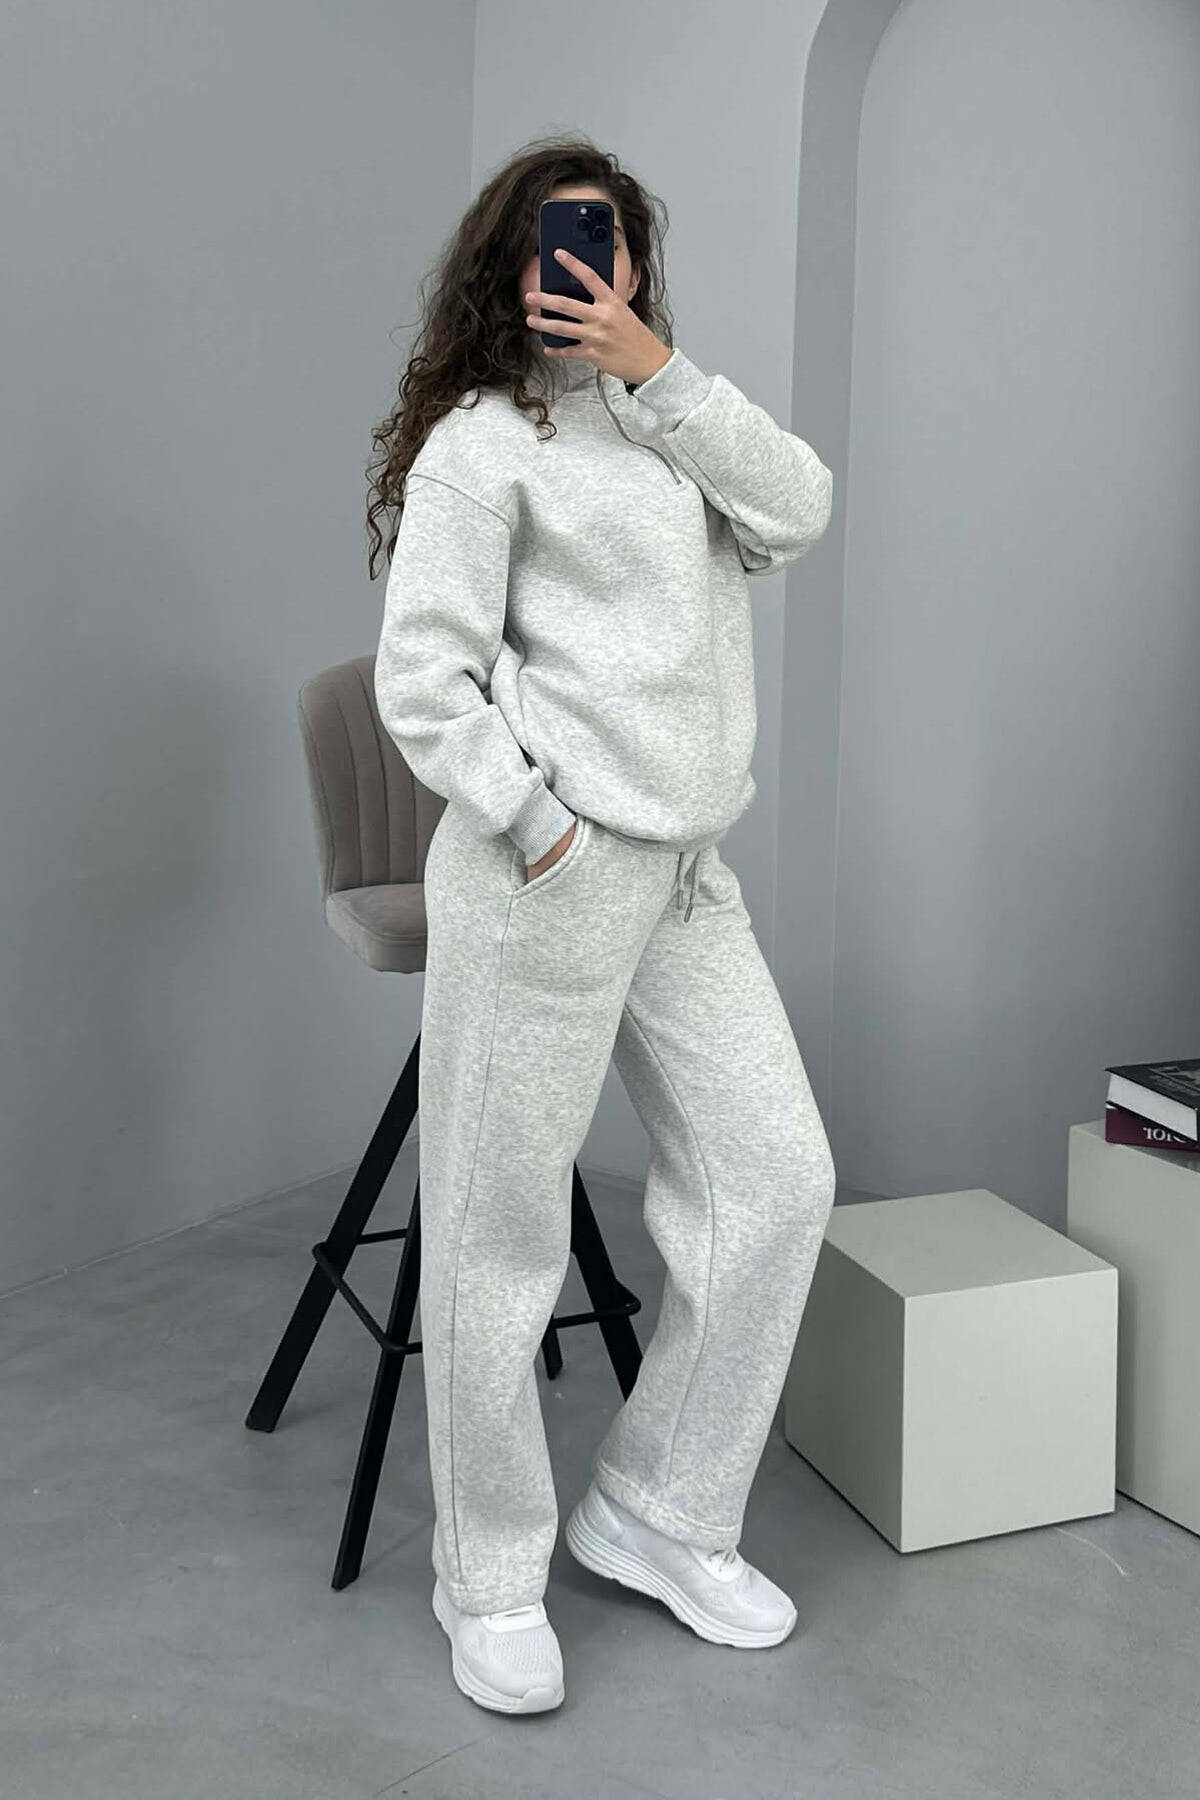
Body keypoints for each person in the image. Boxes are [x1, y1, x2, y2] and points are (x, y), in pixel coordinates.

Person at [368, 136, 836, 1715]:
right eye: (554, 242)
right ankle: (487, 1575)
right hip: (546, 876)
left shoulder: (671, 423)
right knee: (497, 1240)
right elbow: (423, 676)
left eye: (608, 241)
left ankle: (661, 1511)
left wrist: (661, 374)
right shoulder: (480, 445)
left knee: (775, 1182)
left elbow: (802, 506)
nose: (581, 265)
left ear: (634, 264)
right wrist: (539, 824)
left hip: (687, 876)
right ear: (508, 266)